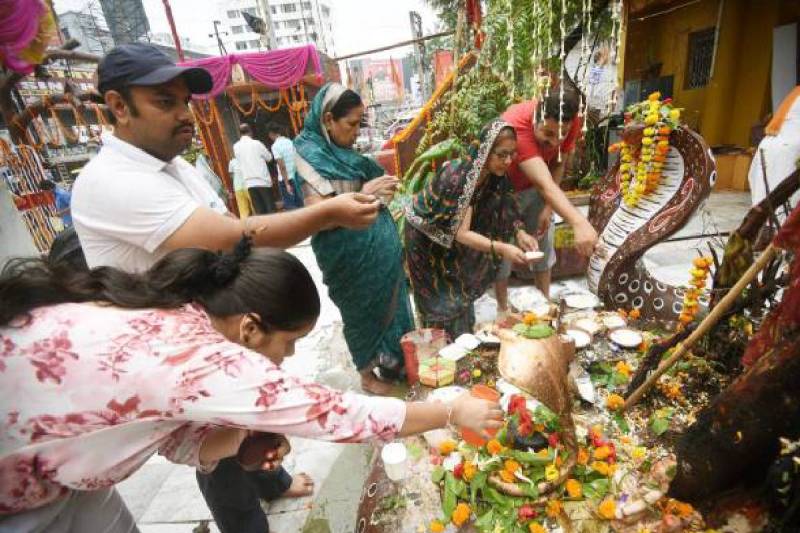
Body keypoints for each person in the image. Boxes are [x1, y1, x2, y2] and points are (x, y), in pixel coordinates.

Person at [70, 43, 380, 532]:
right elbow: (231, 236)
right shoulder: (110, 181)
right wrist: (327, 212)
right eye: (164, 102)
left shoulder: (179, 166)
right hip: (168, 353)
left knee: (247, 425)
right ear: (117, 106)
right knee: (212, 450)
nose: (184, 115)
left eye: (185, 102)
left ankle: (272, 483)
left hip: (213, 325)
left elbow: (229, 238)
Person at [0, 239, 502, 531]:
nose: (287, 359)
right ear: (250, 328)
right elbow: (336, 414)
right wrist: (451, 411)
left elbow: (165, 434)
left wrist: (238, 442)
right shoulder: (199, 357)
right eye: (288, 343)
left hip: (60, 482)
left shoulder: (182, 315)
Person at [294, 83, 412, 395]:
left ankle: (397, 363)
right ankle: (367, 374)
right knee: (360, 315)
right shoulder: (309, 155)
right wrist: (365, 193)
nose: (356, 132)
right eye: (351, 124)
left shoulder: (345, 154)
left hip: (379, 253)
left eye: (360, 124)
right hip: (347, 257)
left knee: (393, 307)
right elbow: (315, 211)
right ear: (328, 119)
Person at [405, 119, 539, 339]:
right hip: (425, 239)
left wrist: (520, 233)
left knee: (460, 290)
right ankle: (442, 352)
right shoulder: (460, 179)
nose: (507, 161)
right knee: (440, 301)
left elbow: (507, 204)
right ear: (485, 150)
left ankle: (463, 339)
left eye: (512, 154)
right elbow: (462, 233)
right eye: (501, 154)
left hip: (452, 238)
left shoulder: (495, 175)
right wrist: (502, 248)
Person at [496, 88, 599, 301]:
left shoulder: (569, 121)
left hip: (538, 189)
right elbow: (545, 185)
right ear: (535, 120)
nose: (555, 142)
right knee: (503, 251)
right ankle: (502, 308)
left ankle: (544, 304)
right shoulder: (517, 128)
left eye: (562, 134)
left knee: (543, 243)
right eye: (548, 134)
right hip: (503, 190)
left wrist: (548, 207)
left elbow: (559, 162)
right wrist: (579, 222)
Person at [234, 123, 276, 215]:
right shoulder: (257, 144)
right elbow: (269, 158)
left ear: (240, 133)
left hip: (249, 183)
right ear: (250, 132)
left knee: (260, 212)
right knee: (271, 211)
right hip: (263, 181)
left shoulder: (236, 147)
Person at [266, 122, 303, 209]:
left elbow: (282, 166)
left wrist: (286, 184)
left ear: (271, 134)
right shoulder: (289, 141)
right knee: (300, 203)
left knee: (291, 206)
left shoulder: (275, 146)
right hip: (295, 176)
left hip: (285, 179)